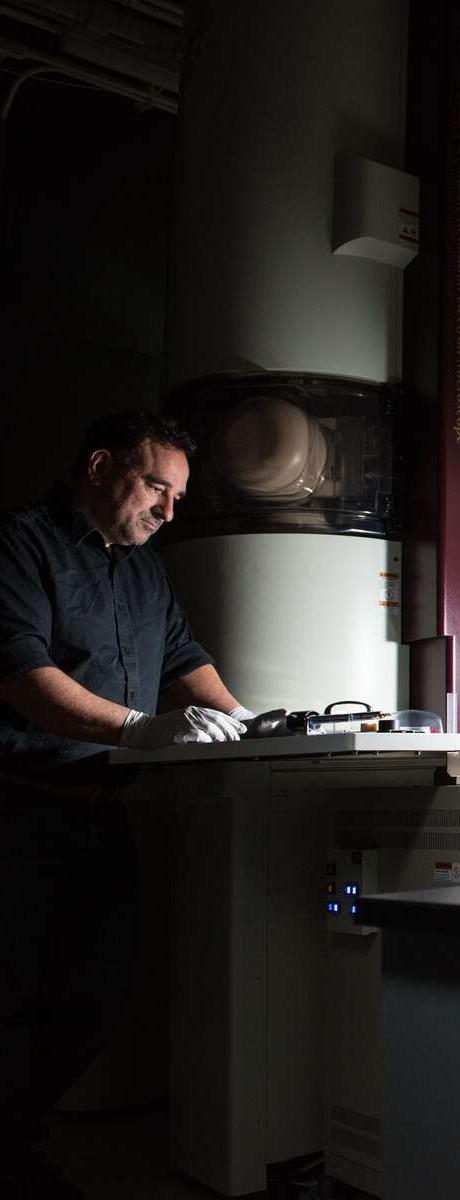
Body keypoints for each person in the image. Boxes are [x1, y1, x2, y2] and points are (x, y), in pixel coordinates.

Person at [0, 411, 255, 1197]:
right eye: (156, 487)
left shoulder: (146, 570)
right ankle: (13, 1158)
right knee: (10, 1001)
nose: (168, 511)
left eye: (177, 496)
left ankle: (16, 1141)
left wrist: (257, 730)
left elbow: (185, 660)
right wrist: (144, 730)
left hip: (103, 813)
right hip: (20, 811)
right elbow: (20, 674)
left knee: (99, 992)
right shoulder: (19, 543)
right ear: (101, 466)